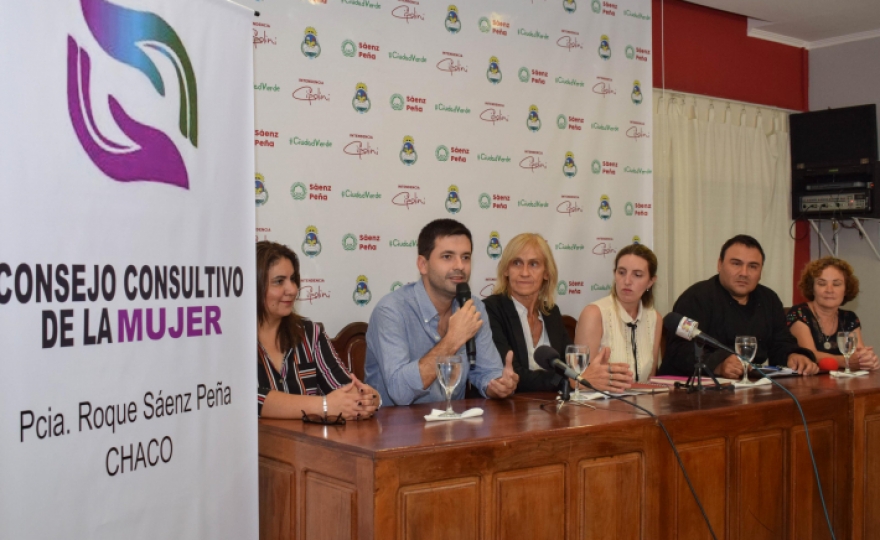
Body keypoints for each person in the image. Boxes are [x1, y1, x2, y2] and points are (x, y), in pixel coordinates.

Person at [365, 219, 519, 406]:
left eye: (465, 257)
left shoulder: (473, 307)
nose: (459, 266)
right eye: (447, 257)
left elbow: (487, 373)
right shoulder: (391, 311)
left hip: (452, 420)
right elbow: (400, 392)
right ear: (423, 264)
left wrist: (498, 384)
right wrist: (452, 339)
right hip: (394, 422)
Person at [484, 233, 632, 393]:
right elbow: (512, 375)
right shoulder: (491, 309)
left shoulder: (551, 313)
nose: (524, 272)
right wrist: (570, 381)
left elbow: (568, 366)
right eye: (517, 263)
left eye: (533, 264)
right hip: (509, 406)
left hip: (552, 405)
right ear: (506, 270)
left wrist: (595, 373)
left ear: (546, 273)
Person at [659, 234, 817, 377]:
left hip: (749, 386)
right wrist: (718, 365)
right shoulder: (696, 297)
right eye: (736, 264)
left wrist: (793, 356)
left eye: (753, 266)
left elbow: (781, 342)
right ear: (719, 264)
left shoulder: (769, 299)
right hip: (692, 389)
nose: (744, 273)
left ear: (761, 271)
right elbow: (679, 350)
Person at [256, 241, 379, 420]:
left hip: (307, 439)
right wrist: (324, 406)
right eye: (279, 281)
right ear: (255, 286)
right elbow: (250, 399)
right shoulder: (229, 339)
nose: (292, 289)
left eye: (293, 279)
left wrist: (366, 399)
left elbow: (344, 389)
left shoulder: (309, 334)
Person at [575, 244, 660, 383]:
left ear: (650, 282)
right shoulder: (594, 314)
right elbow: (580, 379)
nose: (627, 281)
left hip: (642, 396)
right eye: (621, 272)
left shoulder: (654, 318)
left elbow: (650, 380)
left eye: (637, 275)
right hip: (598, 397)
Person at [787, 256, 879, 370]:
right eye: (822, 284)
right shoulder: (799, 313)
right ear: (812, 288)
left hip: (843, 380)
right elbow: (809, 355)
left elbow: (858, 355)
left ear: (846, 290)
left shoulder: (849, 318)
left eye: (836, 284)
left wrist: (867, 359)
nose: (829, 290)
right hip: (808, 379)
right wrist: (846, 361)